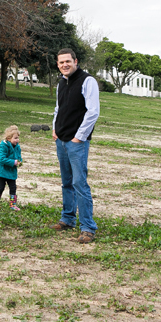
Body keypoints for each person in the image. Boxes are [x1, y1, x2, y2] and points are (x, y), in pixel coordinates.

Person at [50, 48, 100, 244]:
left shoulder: (88, 81)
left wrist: (79, 137)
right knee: (66, 182)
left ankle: (88, 227)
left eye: (68, 61)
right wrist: (55, 129)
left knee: (80, 183)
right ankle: (68, 218)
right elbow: (58, 108)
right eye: (61, 62)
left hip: (77, 143)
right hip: (61, 140)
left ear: (75, 61)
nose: (65, 65)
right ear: (58, 65)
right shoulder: (61, 83)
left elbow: (93, 112)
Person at [0, 125, 23, 210]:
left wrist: (19, 161)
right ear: (9, 138)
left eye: (18, 138)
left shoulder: (17, 147)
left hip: (11, 171)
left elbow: (18, 156)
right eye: (15, 138)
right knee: (1, 187)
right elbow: (1, 158)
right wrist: (13, 162)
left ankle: (12, 204)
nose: (17, 140)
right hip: (2, 170)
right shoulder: (3, 145)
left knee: (13, 187)